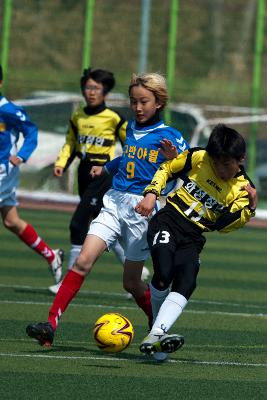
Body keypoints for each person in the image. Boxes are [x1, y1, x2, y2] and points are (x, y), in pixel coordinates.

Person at [26, 72, 189, 348]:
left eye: (144, 102)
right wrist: (108, 167)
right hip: (113, 202)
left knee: (131, 283)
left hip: (141, 211)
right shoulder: (130, 128)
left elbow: (186, 170)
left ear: (159, 103)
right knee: (82, 261)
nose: (137, 107)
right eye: (133, 101)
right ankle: (50, 325)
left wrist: (175, 160)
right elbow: (128, 157)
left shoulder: (170, 136)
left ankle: (156, 326)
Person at [135, 123, 257, 360]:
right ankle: (156, 332)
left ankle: (156, 335)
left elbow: (226, 226)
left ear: (240, 159)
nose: (220, 169)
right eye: (216, 162)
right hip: (167, 221)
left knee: (187, 281)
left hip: (193, 236)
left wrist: (250, 208)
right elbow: (168, 168)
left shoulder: (242, 189)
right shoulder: (200, 157)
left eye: (226, 164)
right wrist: (152, 193)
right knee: (163, 273)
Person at [49, 67, 139, 294]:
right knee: (103, 225)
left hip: (104, 174)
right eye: (88, 87)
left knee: (78, 224)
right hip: (84, 172)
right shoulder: (78, 116)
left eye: (96, 88)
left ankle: (65, 282)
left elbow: (132, 146)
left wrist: (124, 169)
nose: (91, 92)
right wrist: (61, 164)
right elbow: (70, 143)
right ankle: (135, 272)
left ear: (105, 92)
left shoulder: (113, 118)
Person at [0, 65, 64, 283]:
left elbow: (31, 131)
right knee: (11, 221)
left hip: (3, 170)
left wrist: (22, 156)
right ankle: (51, 255)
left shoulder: (7, 110)